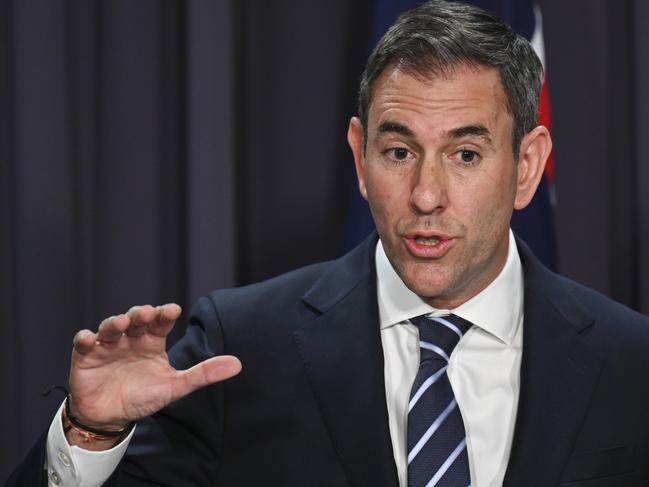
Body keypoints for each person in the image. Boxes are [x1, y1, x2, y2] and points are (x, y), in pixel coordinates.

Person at [8, 1, 649, 486]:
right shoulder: (240, 345)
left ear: (528, 166)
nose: (427, 195)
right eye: (398, 151)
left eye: (465, 153)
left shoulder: (631, 363)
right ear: (360, 158)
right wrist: (92, 434)